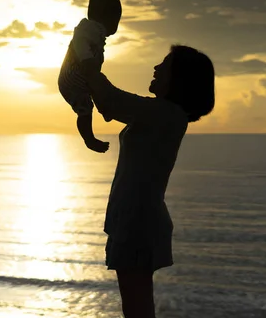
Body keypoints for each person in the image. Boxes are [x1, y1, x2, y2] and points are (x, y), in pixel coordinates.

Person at [80, 45, 215, 318]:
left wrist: (85, 63)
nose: (156, 68)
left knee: (137, 307)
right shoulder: (159, 112)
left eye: (164, 64)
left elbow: (112, 100)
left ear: (180, 77)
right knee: (135, 306)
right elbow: (112, 104)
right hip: (132, 220)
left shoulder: (167, 114)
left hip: (138, 222)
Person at [58, 0, 122, 153]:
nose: (117, 24)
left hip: (82, 75)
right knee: (85, 109)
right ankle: (89, 139)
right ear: (106, 17)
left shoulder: (96, 32)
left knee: (97, 87)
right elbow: (80, 41)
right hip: (74, 77)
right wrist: (87, 59)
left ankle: (105, 108)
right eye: (116, 19)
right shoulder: (88, 28)